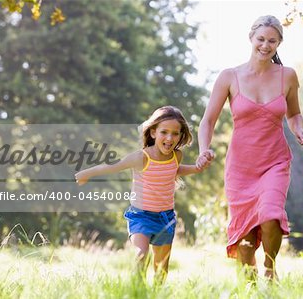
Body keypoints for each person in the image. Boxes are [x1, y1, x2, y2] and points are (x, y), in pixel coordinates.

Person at [196, 15, 303, 280]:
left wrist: (299, 129)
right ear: (251, 38)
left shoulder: (287, 76)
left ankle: (270, 271)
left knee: (271, 214)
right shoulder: (229, 77)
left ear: (279, 43)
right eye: (261, 39)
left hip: (275, 160)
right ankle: (249, 287)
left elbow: (294, 114)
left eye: (272, 41)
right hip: (240, 167)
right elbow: (208, 121)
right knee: (245, 239)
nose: (265, 45)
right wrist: (204, 149)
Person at [75, 106, 210, 284]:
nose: (170, 138)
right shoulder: (141, 157)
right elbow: (113, 166)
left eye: (175, 134)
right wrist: (87, 173)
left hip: (166, 218)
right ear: (153, 132)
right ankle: (137, 292)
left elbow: (174, 170)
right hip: (141, 216)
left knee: (161, 267)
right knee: (141, 255)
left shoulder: (177, 155)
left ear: (180, 135)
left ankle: (156, 294)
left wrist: (196, 168)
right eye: (164, 132)